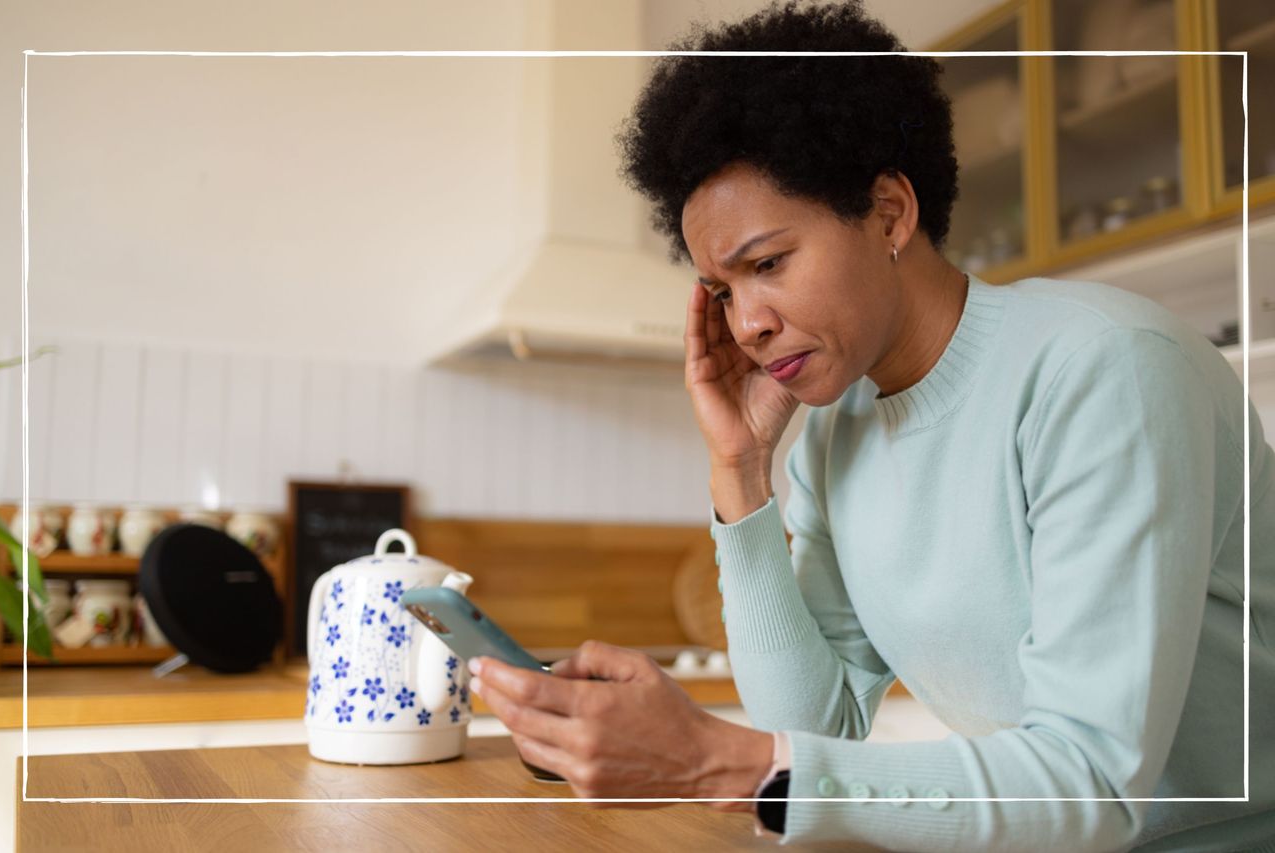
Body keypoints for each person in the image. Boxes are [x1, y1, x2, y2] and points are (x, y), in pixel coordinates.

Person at [469, 2, 1275, 849]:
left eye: (768, 264)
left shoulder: (1107, 369)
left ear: (890, 213)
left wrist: (714, 759)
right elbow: (818, 721)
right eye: (722, 290)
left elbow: (1092, 782)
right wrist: (740, 473)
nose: (746, 322)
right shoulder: (833, 433)